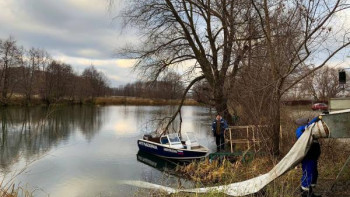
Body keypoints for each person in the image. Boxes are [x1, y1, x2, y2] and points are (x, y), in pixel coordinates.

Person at [295, 116, 322, 197]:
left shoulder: (308, 129)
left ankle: (310, 192)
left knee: (313, 173)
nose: (308, 122)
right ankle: (305, 192)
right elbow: (301, 136)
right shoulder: (301, 129)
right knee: (308, 172)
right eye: (307, 121)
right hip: (308, 156)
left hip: (312, 156)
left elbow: (311, 125)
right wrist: (318, 117)